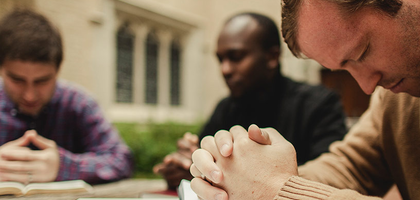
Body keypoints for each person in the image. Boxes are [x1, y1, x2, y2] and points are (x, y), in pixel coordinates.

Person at [189, 0, 420, 199]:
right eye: (344, 69)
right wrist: (245, 179)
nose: (367, 87)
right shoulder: (392, 100)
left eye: (363, 52)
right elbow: (351, 166)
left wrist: (279, 191)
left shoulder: (318, 102)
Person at [154, 12, 348, 190]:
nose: (225, 70)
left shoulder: (319, 103)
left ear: (272, 57)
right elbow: (204, 166)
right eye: (220, 59)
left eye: (236, 57)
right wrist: (189, 166)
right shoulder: (225, 108)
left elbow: (334, 174)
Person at [0, 9, 134, 184]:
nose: (30, 95)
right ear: (2, 69)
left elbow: (121, 160)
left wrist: (64, 167)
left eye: (42, 81)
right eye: (17, 80)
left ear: (58, 70)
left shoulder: (79, 103)